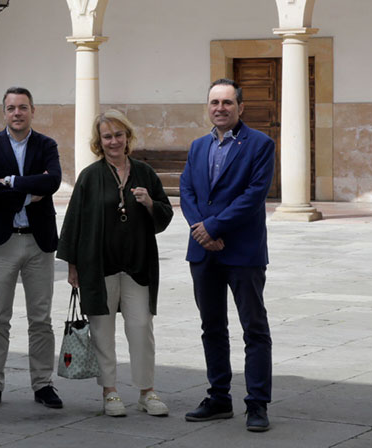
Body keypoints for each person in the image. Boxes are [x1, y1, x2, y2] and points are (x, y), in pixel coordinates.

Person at [57, 110, 174, 418]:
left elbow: (164, 213)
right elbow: (73, 223)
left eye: (119, 135)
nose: (113, 141)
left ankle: (147, 391)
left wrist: (149, 202)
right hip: (98, 266)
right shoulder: (90, 176)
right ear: (99, 142)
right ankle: (110, 391)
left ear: (128, 137)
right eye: (107, 136)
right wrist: (72, 267)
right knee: (102, 330)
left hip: (137, 265)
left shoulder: (144, 172)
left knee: (140, 327)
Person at [179, 79, 275, 432]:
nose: (220, 108)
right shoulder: (197, 146)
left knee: (254, 328)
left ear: (240, 107)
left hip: (242, 251)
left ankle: (257, 404)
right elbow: (187, 190)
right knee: (212, 326)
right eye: (214, 102)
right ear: (208, 106)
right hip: (203, 252)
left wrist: (214, 227)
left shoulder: (260, 144)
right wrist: (201, 230)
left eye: (227, 102)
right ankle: (219, 397)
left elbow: (253, 196)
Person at [0, 86, 64, 410]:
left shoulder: (46, 145)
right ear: (4, 112)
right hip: (3, 241)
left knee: (40, 319)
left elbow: (53, 181)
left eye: (22, 107)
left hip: (39, 243)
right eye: (11, 108)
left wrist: (10, 183)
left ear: (32, 111)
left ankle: (43, 384)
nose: (17, 113)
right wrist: (29, 189)